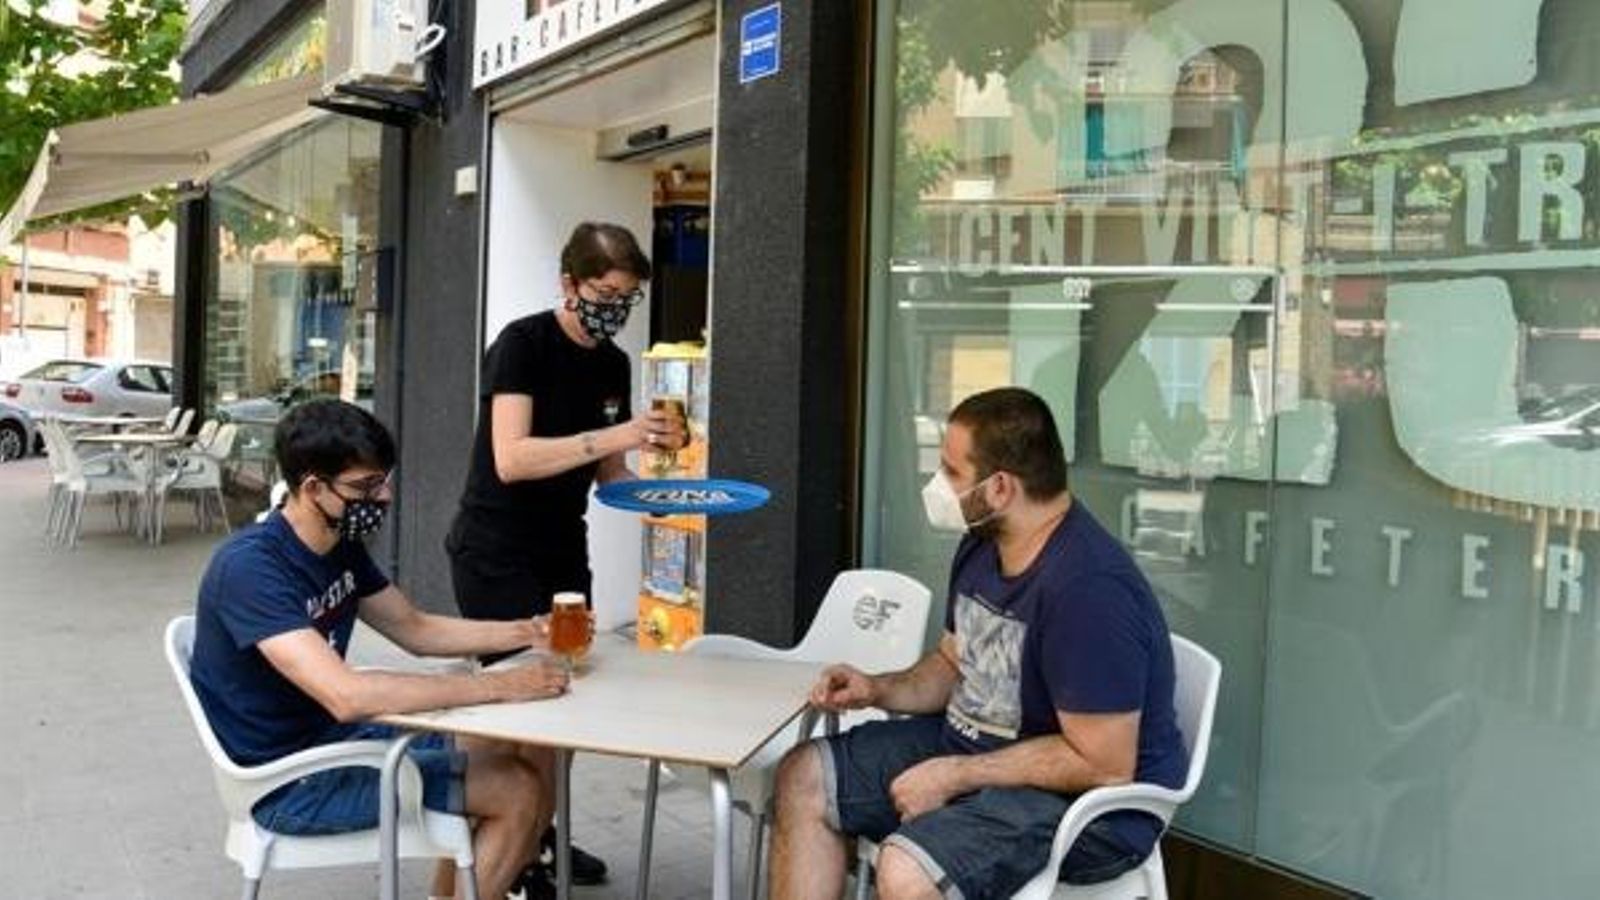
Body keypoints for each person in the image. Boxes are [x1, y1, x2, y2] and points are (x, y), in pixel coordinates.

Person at [768, 387, 1188, 900]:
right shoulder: (984, 544)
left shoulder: (1089, 590)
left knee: (906, 871)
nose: (938, 485)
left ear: (1001, 488)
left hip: (1090, 809)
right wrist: (875, 688)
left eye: (952, 472)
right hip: (984, 752)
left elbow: (1103, 763)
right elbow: (952, 662)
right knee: (802, 776)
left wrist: (954, 775)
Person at [190, 400, 574, 900]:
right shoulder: (252, 570)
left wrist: (524, 632)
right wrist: (495, 685)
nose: (384, 496)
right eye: (366, 487)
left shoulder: (336, 544)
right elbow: (347, 695)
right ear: (312, 488)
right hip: (289, 780)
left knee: (517, 744)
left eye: (384, 479)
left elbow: (414, 629)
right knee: (517, 789)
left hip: (335, 740)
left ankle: (455, 892)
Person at [445, 221, 687, 885]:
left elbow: (612, 479)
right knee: (512, 705)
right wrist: (618, 432)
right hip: (495, 548)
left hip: (562, 551)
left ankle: (538, 833)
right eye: (605, 294)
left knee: (565, 699)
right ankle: (493, 842)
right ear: (569, 284)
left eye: (627, 298)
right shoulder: (522, 345)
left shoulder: (612, 365)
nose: (614, 309)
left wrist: (676, 500)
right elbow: (513, 458)